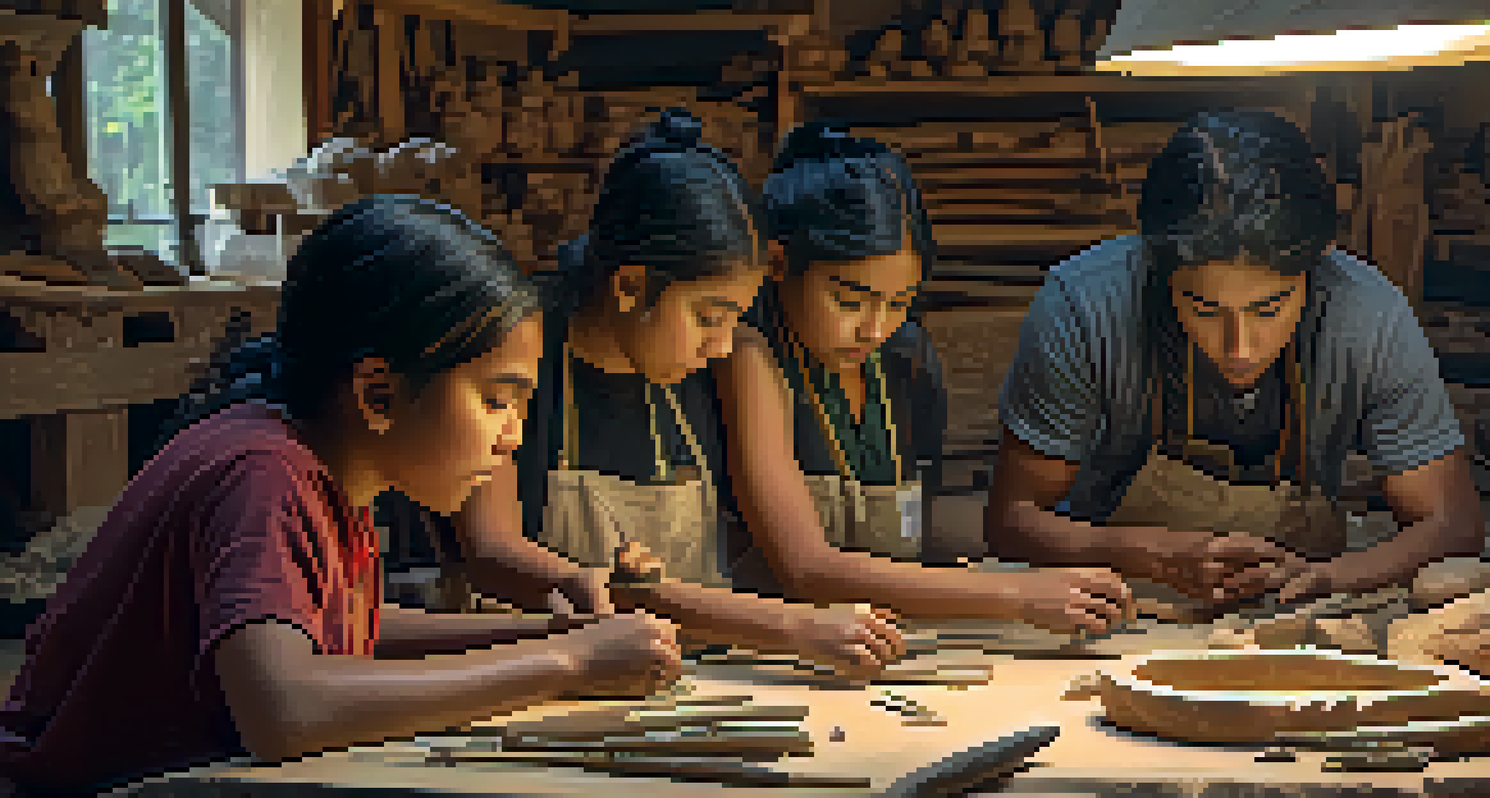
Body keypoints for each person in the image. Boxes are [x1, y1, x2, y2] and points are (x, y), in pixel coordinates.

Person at [0, 196, 683, 796]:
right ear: (378, 394)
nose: (511, 438)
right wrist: (567, 663)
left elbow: (338, 629)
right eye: (497, 400)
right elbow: (286, 705)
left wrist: (548, 633)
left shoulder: (321, 466)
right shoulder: (264, 476)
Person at [437, 110, 908, 678]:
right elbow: (493, 553)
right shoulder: (519, 352)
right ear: (631, 286)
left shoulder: (721, 367)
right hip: (534, 681)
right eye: (709, 316)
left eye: (735, 318)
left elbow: (784, 559)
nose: (723, 344)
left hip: (699, 676)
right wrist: (794, 625)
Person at [984, 109, 1484, 612]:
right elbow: (1011, 522)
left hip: (1303, 601)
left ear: (1319, 264)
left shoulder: (1368, 315)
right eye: (1203, 308)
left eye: (1269, 308)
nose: (1239, 347)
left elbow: (1453, 524)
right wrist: (1148, 555)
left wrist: (1331, 578)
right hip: (1117, 602)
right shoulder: (1085, 307)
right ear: (1155, 266)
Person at [712, 122, 1130, 633]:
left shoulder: (906, 357)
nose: (874, 327)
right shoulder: (747, 350)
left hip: (887, 644)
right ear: (777, 262)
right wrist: (1017, 593)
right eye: (848, 300)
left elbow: (919, 532)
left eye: (899, 302)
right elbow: (806, 569)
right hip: (769, 654)